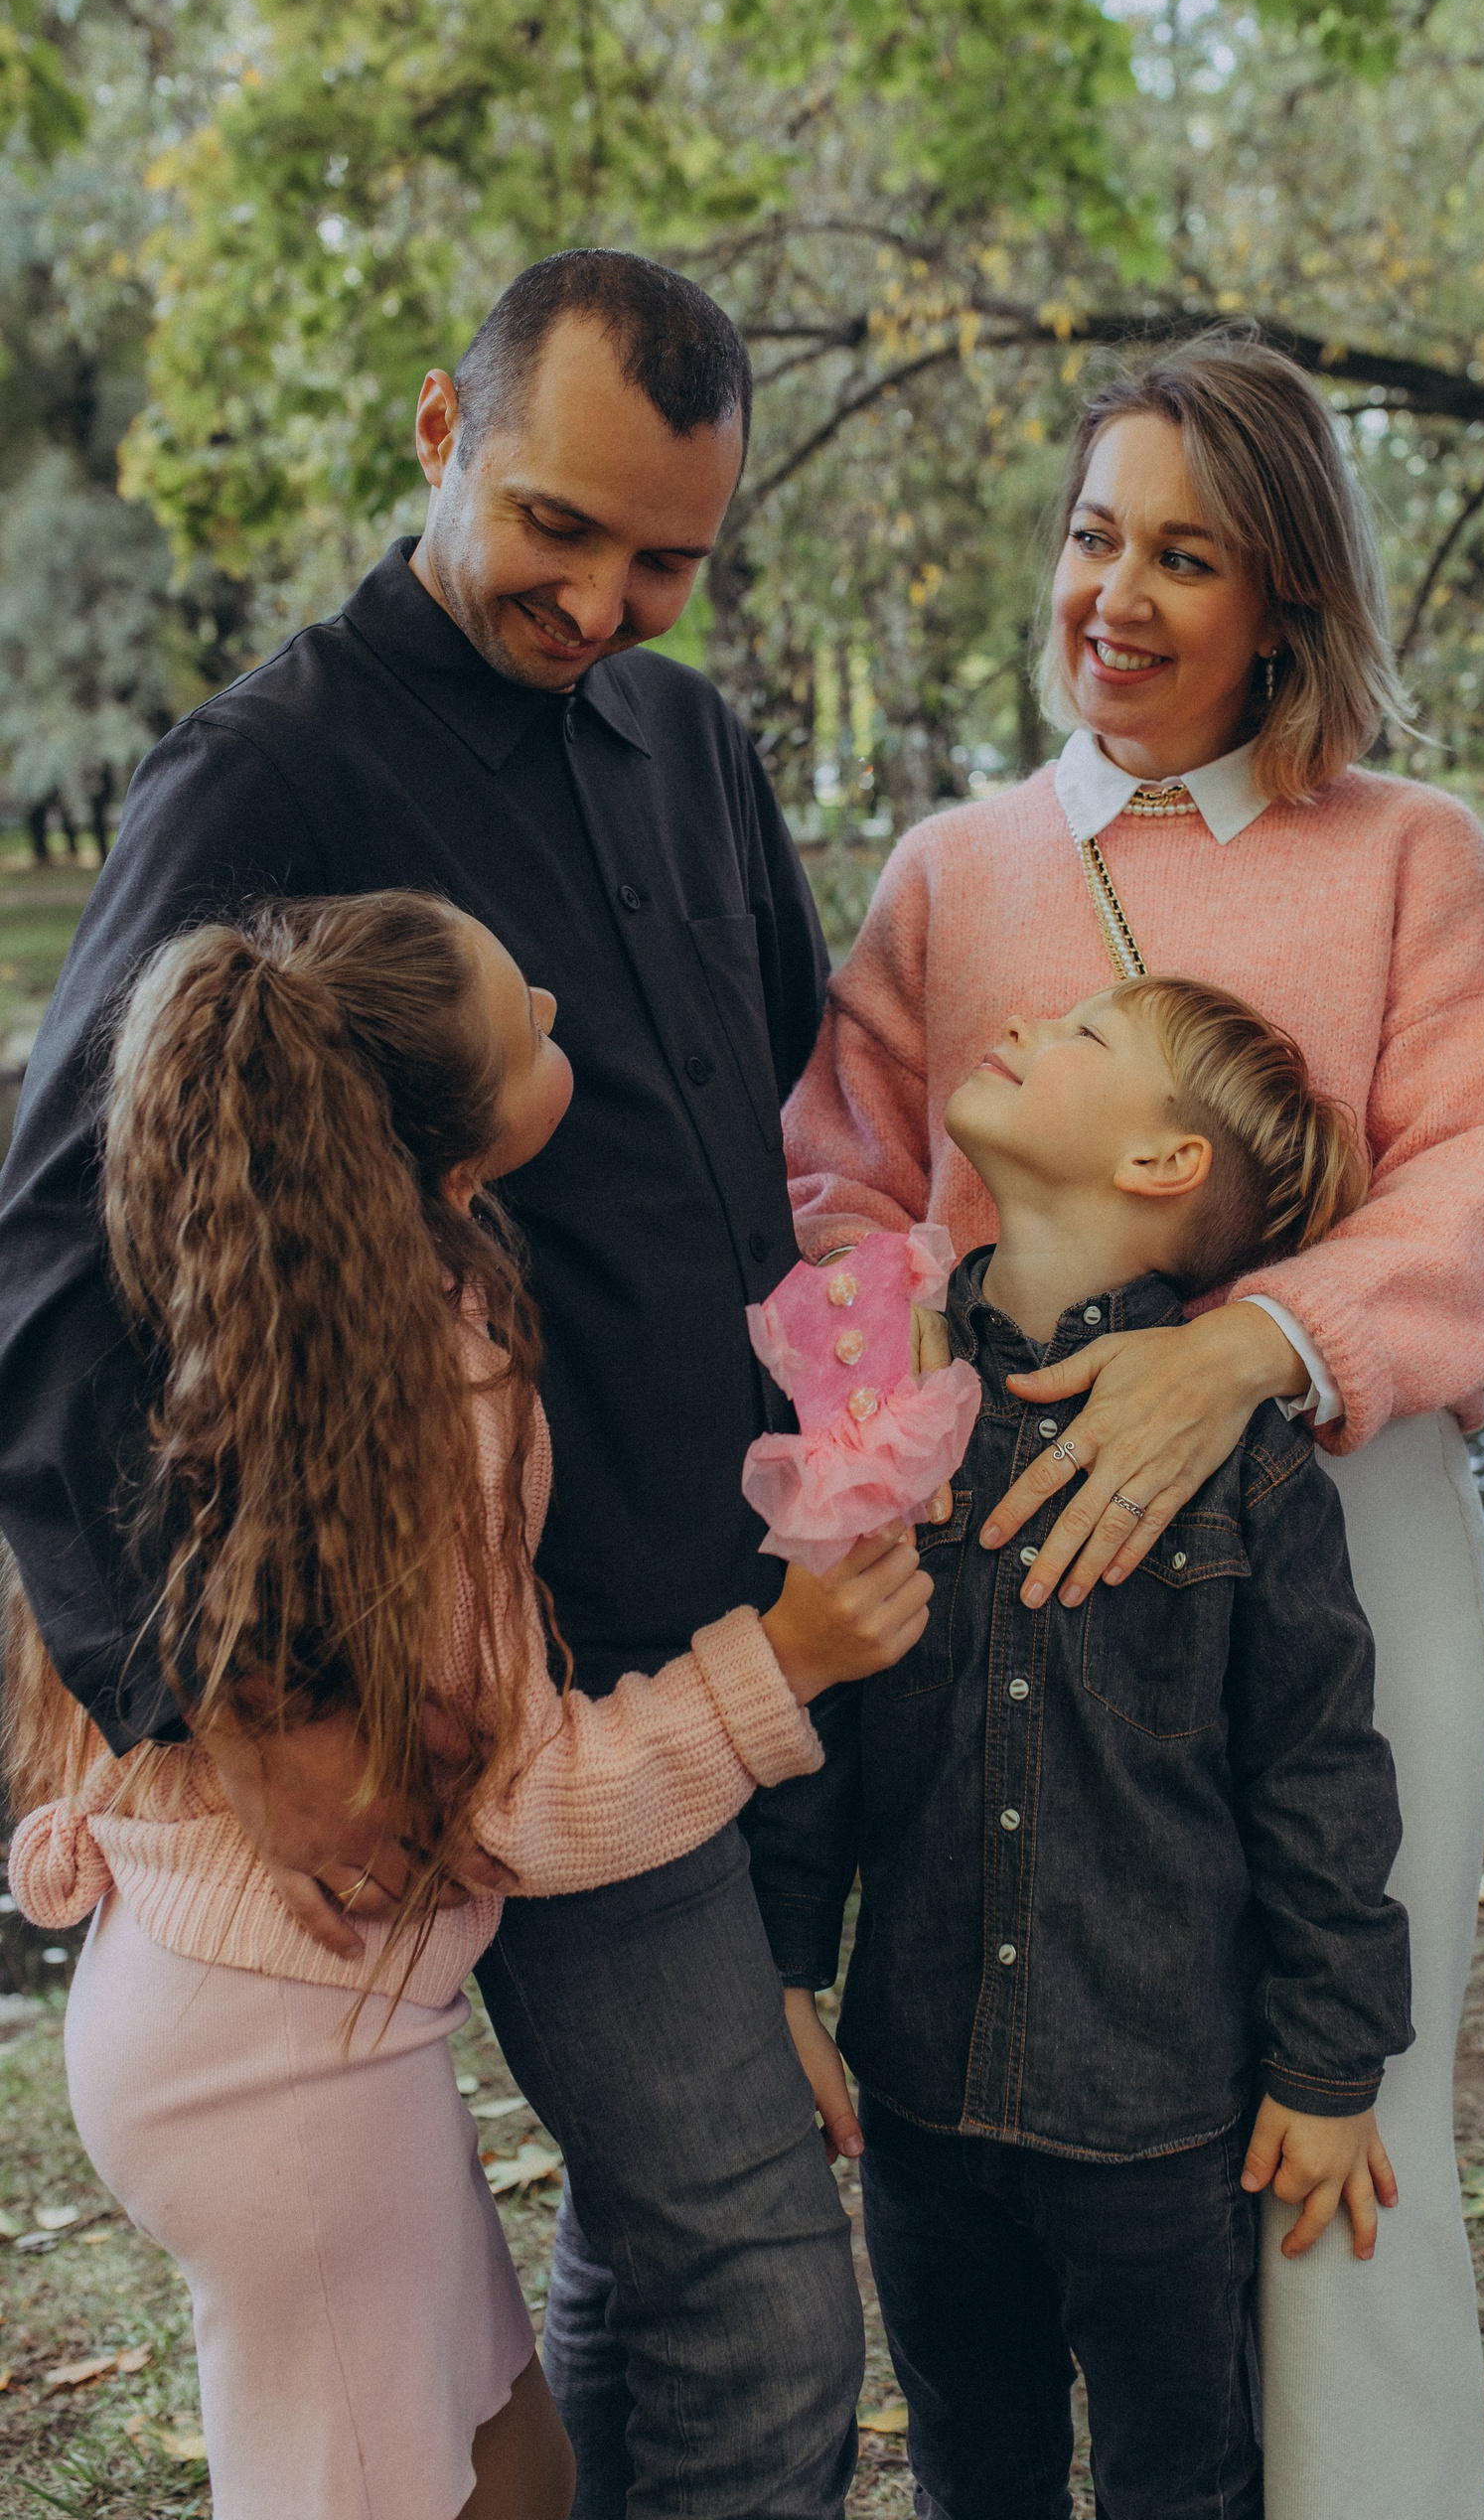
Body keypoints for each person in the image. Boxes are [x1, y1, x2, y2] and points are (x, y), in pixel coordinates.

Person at [0, 252, 864, 2518]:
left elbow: (777, 1121)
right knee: (762, 2292)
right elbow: (47, 1266)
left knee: (664, 2273)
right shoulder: (265, 776)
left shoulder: (693, 746)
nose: (599, 602)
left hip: (733, 1650)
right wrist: (220, 1705)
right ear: (437, 433)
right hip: (496, 1704)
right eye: (557, 526)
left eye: (663, 559)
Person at [782, 333, 1484, 2519]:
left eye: (1187, 557)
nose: (1114, 597)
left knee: (1346, 2095)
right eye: (1093, 536)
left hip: (1344, 1520)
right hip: (1020, 1562)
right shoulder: (953, 871)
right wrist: (895, 1432)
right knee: (1047, 2072)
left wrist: (1248, 1348)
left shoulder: (1408, 858)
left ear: (1285, 597)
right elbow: (843, 1183)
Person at [5, 893, 933, 2520]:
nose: (556, 1005)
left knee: (516, 2468)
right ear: (451, 1161)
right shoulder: (432, 1393)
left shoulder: (273, 1307)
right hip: (277, 2065)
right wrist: (782, 1663)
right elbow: (503, 1800)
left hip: (265, 2023)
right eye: (530, 1029)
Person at [757, 974, 1411, 2520]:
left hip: (1159, 2128)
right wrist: (783, 1972)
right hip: (921, 2104)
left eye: (1088, 1037)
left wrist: (1330, 2065)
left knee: (1183, 2483)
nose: (1031, 1027)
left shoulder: (1245, 1469)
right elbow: (821, 1721)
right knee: (973, 2478)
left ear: (1161, 1165)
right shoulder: (887, 1406)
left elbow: (1318, 1777)